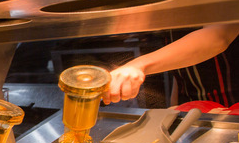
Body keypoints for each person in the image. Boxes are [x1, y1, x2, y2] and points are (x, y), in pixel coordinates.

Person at [102, 23, 239, 113]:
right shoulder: (175, 15)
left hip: (232, 107)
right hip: (193, 110)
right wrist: (174, 107)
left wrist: (138, 65)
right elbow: (182, 64)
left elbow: (218, 37)